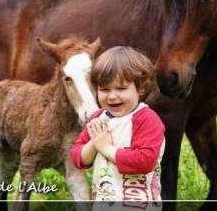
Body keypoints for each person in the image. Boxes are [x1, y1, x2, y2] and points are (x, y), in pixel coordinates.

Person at [70, 46, 165, 207]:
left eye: (121, 89)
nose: (112, 96)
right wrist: (95, 143)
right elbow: (78, 158)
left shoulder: (146, 119)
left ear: (140, 88)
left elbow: (145, 161)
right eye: (104, 89)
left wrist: (106, 148)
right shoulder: (98, 119)